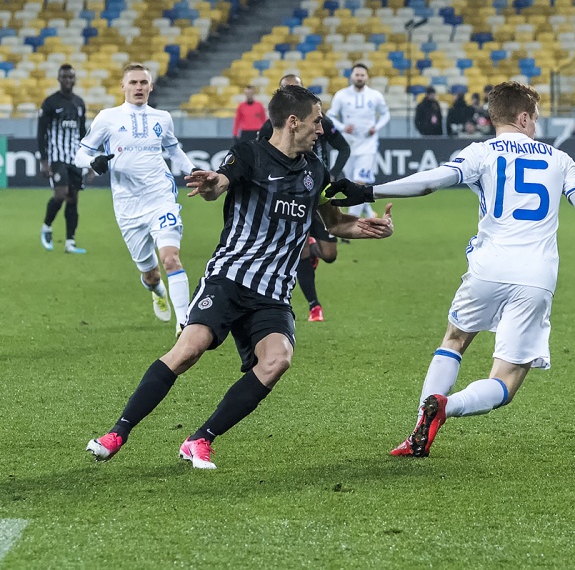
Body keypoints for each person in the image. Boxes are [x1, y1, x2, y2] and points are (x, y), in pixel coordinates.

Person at [328, 81, 575, 458]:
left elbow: (430, 182)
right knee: (506, 380)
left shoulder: (480, 152)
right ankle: (446, 406)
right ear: (523, 117)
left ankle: (419, 427)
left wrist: (369, 191)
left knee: (454, 339)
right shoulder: (560, 159)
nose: (536, 125)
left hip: (487, 268)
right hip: (535, 277)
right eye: (535, 118)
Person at [85, 84, 394, 470]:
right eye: (317, 122)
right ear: (293, 122)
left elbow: (332, 222)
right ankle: (118, 432)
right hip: (230, 277)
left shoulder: (315, 170)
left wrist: (364, 228)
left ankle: (200, 439)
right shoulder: (250, 154)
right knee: (189, 349)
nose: (322, 130)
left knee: (277, 360)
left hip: (273, 291)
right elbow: (220, 183)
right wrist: (211, 185)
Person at [74, 63, 194, 335]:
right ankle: (157, 290)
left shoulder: (162, 118)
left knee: (171, 258)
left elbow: (174, 151)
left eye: (143, 82)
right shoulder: (107, 118)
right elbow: (80, 153)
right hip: (128, 206)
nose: (138, 87)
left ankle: (184, 323)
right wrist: (93, 161)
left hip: (160, 197)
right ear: (123, 86)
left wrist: (194, 170)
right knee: (151, 274)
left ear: (151, 86)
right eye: (133, 82)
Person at [258, 73, 352, 322]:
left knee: (329, 254)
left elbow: (344, 147)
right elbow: (260, 158)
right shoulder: (270, 127)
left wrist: (333, 174)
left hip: (318, 190)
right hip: (289, 194)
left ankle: (313, 248)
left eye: (296, 89)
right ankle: (314, 306)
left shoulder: (320, 122)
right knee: (301, 251)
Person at [326, 63, 390, 219]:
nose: (359, 78)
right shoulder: (341, 95)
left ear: (367, 77)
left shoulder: (375, 95)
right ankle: (367, 211)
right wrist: (342, 127)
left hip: (368, 145)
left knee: (360, 181)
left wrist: (376, 127)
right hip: (348, 145)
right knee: (351, 183)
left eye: (362, 75)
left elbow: (385, 114)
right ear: (352, 76)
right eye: (357, 75)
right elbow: (330, 116)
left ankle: (352, 218)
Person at [38, 64, 88, 254]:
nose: (68, 80)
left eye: (71, 77)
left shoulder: (79, 103)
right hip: (57, 157)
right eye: (65, 77)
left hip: (75, 158)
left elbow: (82, 133)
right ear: (59, 79)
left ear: (74, 79)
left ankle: (70, 242)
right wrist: (44, 160)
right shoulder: (50, 103)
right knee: (61, 194)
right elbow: (41, 133)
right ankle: (47, 226)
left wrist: (89, 159)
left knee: (73, 199)